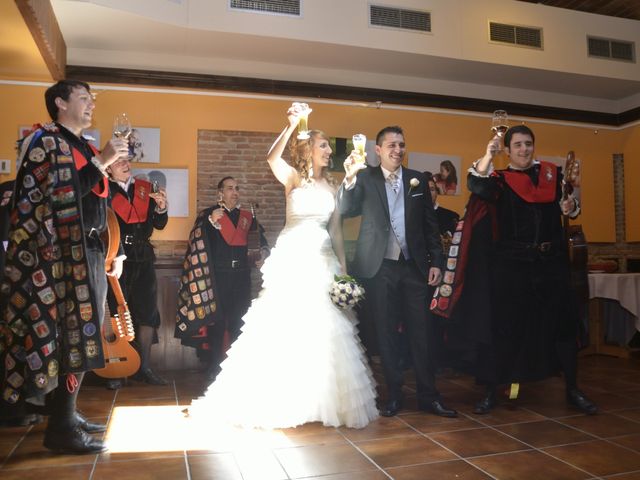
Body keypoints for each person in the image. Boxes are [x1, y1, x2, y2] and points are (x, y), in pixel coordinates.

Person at [186, 103, 378, 429]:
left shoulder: (332, 186)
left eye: (328, 147)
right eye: (323, 145)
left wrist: (344, 272)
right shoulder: (292, 178)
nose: (328, 150)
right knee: (287, 327)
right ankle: (281, 398)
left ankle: (321, 400)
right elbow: (272, 158)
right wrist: (290, 126)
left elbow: (336, 231)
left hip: (324, 261)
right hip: (293, 260)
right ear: (308, 149)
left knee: (327, 330)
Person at [0, 80, 129, 453]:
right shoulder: (44, 142)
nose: (91, 104)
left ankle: (67, 415)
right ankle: (60, 428)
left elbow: (92, 194)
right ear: (60, 102)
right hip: (58, 256)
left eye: (92, 99)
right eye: (83, 98)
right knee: (71, 335)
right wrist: (102, 161)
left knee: (84, 335)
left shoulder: (81, 146)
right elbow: (60, 195)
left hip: (88, 250)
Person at [459, 125, 596, 415]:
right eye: (518, 145)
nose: (524, 149)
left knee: (562, 327)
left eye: (528, 144)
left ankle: (573, 389)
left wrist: (571, 207)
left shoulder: (551, 175)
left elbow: (570, 208)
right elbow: (475, 185)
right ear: (508, 150)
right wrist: (487, 154)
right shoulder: (498, 181)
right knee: (504, 329)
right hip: (511, 267)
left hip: (550, 265)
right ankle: (491, 391)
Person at [338, 125, 457, 418]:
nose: (398, 150)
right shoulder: (365, 178)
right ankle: (394, 395)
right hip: (379, 268)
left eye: (401, 144)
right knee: (386, 333)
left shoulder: (416, 179)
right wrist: (349, 179)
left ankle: (429, 396)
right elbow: (346, 210)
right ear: (377, 150)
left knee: (422, 333)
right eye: (391, 145)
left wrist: (436, 263)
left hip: (414, 268)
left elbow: (430, 226)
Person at [175, 176, 269, 381]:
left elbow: (261, 242)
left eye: (237, 188)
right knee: (217, 322)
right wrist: (210, 223)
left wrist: (262, 252)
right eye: (229, 188)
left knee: (238, 320)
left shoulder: (247, 217)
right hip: (217, 276)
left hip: (242, 275)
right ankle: (215, 365)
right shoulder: (209, 215)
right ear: (220, 193)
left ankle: (236, 366)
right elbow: (196, 241)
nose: (234, 192)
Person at [105, 156, 169, 389]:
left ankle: (144, 368)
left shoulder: (144, 189)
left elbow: (159, 224)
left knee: (148, 314)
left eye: (126, 160)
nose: (125, 163)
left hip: (144, 257)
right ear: (108, 168)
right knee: (116, 313)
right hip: (115, 258)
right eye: (118, 161)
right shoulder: (103, 189)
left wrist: (162, 208)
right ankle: (116, 369)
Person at [426, 173, 460, 238]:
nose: (428, 193)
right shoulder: (411, 216)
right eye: (425, 189)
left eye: (432, 189)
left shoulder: (451, 217)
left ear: (436, 192)